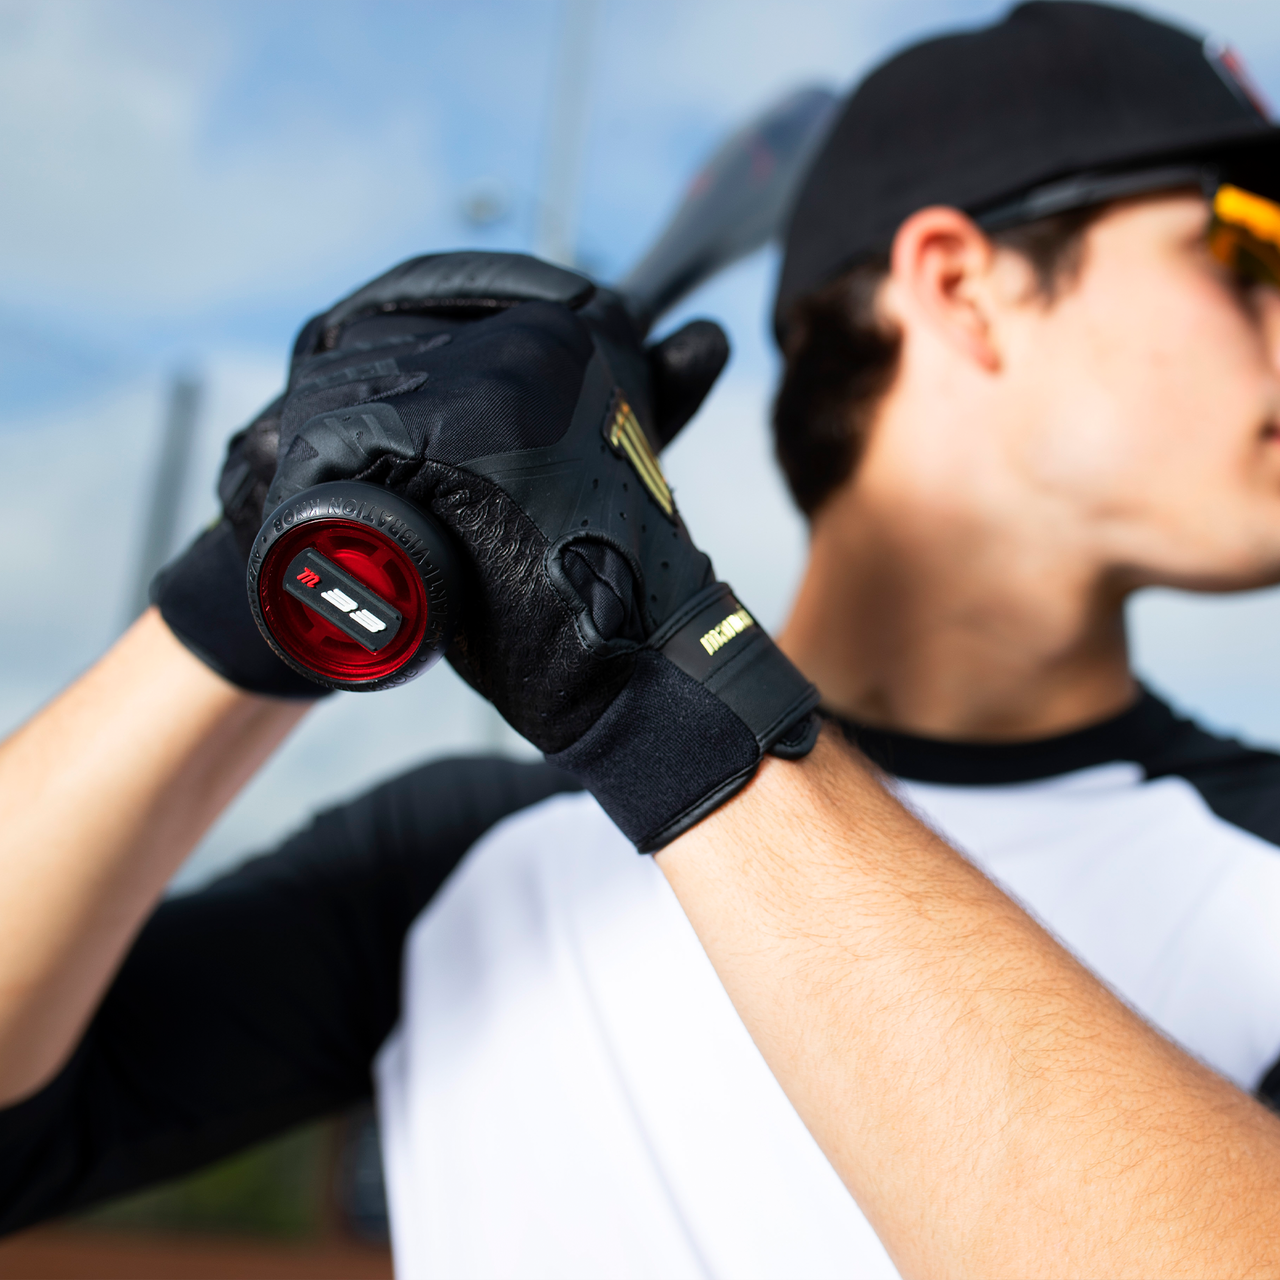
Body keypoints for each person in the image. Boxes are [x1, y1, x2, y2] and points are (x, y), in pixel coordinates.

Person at [5, 1, 1280, 1275]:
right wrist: (240, 583)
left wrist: (662, 690)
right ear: (959, 285)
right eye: (1248, 246)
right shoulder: (473, 859)